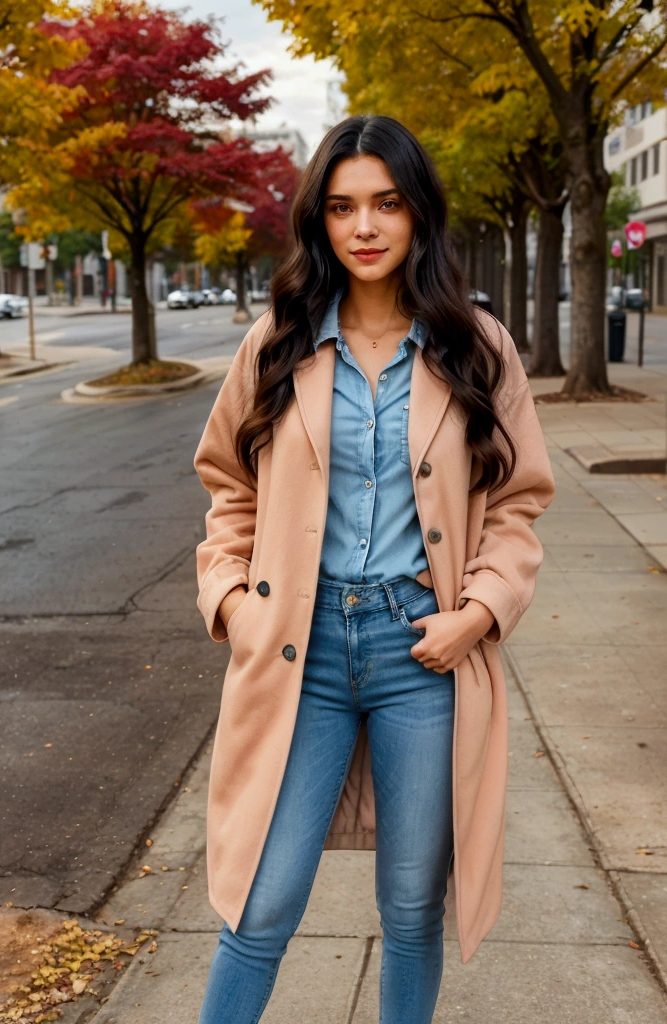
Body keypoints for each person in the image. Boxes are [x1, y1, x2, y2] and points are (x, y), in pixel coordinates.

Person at [193, 114, 555, 1024]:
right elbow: (226, 486)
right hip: (296, 654)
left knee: (408, 909)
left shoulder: (477, 344)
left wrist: (478, 612)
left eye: (386, 204)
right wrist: (234, 602)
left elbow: (518, 501)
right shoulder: (275, 341)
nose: (364, 228)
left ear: (418, 215)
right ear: (318, 220)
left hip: (420, 653)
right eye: (344, 207)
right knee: (261, 902)